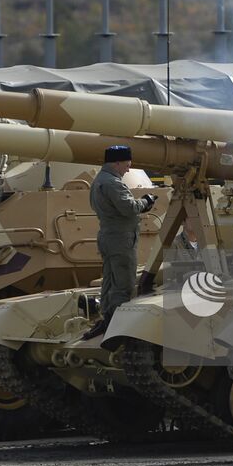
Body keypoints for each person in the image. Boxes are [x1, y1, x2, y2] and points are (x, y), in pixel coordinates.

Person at [82, 144, 156, 340]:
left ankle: (106, 318)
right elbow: (129, 208)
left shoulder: (99, 180)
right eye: (126, 164)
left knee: (109, 281)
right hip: (121, 239)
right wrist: (146, 201)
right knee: (124, 283)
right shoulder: (114, 183)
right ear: (116, 163)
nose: (128, 169)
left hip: (108, 235)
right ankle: (118, 326)